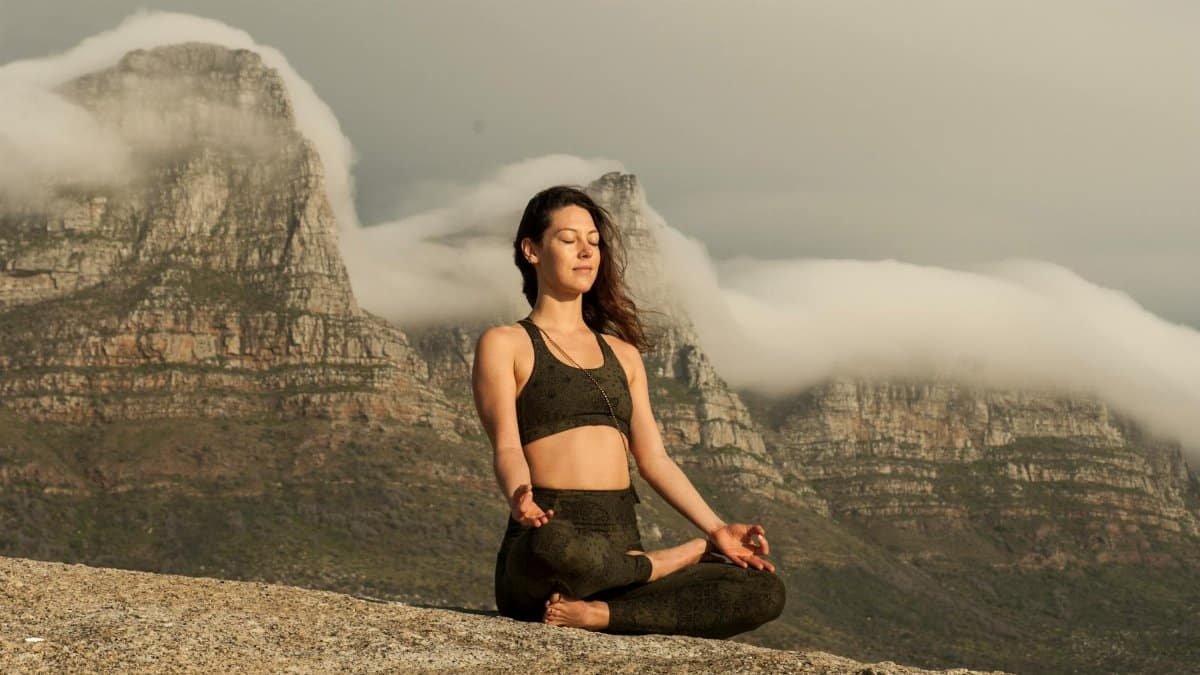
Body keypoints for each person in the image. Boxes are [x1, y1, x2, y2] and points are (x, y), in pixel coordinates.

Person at [471, 184, 785, 638]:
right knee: (552, 545)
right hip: (550, 537)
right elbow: (506, 445)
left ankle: (600, 614)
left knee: (764, 590)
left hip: (620, 548)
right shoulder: (506, 343)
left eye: (594, 242)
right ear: (531, 249)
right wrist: (521, 497)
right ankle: (672, 559)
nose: (586, 252)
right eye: (569, 239)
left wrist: (717, 529)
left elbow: (654, 460)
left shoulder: (623, 355)